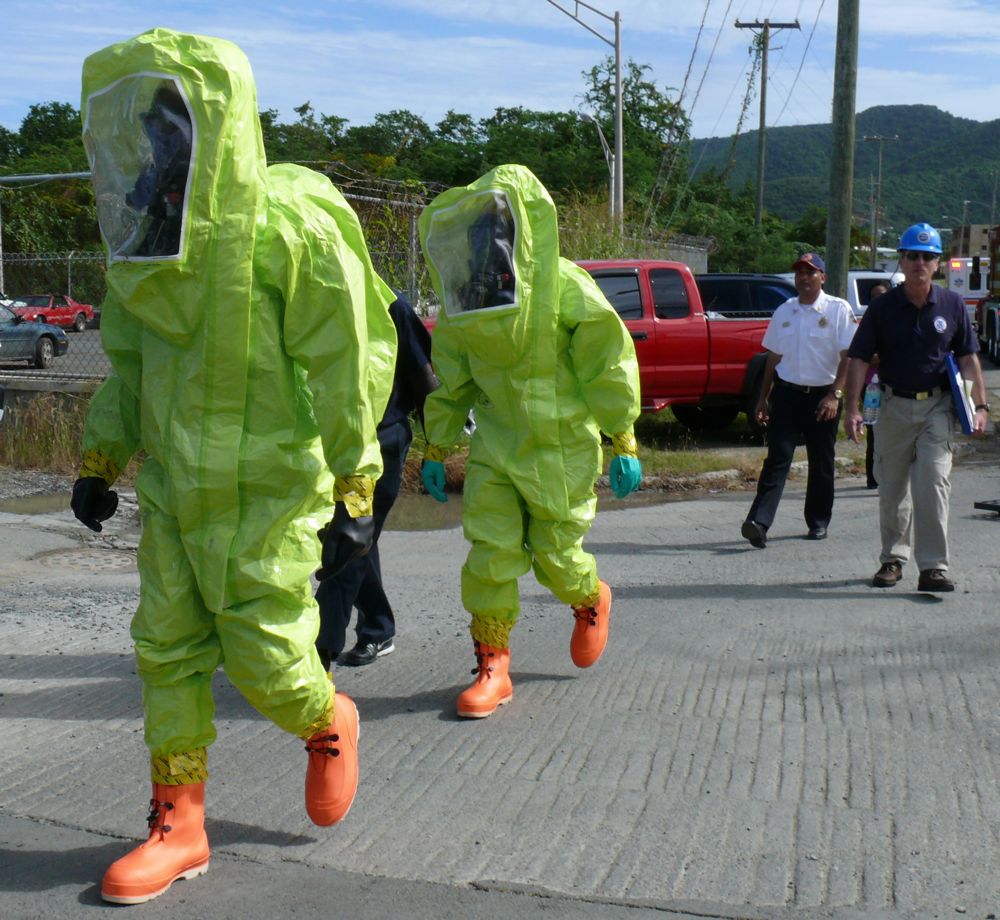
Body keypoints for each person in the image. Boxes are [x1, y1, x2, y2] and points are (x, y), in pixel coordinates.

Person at [70, 29, 397, 904]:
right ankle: (179, 823)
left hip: (268, 494)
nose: (160, 152)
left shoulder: (286, 236)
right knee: (166, 652)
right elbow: (131, 366)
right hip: (175, 489)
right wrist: (104, 459)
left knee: (269, 664)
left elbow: (345, 364)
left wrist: (353, 482)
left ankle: (329, 721)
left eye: (175, 130)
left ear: (212, 130)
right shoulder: (148, 244)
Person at [417, 164, 643, 719]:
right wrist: (438, 445)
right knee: (489, 556)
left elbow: (607, 364)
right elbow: (452, 376)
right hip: (496, 446)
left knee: (556, 560)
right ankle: (493, 666)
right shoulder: (471, 297)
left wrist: (623, 437)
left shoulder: (565, 287)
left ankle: (590, 598)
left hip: (561, 450)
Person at [844, 223, 989, 592]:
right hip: (893, 407)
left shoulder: (952, 305)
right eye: (912, 256)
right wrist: (852, 409)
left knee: (934, 484)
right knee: (892, 487)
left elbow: (969, 357)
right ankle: (892, 559)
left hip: (937, 408)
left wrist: (981, 405)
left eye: (927, 256)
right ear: (902, 260)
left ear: (937, 263)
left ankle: (933, 568)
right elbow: (858, 359)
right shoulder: (882, 308)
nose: (919, 262)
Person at [315, 293, 437, 668]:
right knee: (352, 535)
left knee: (349, 544)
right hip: (333, 441)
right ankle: (379, 628)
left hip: (380, 444)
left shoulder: (392, 306)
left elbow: (426, 379)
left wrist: (439, 447)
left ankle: (319, 650)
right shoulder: (320, 302)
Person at [741, 252, 857, 547]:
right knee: (777, 459)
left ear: (822, 277)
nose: (804, 278)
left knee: (821, 463)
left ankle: (818, 522)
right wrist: (763, 397)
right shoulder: (785, 311)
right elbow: (772, 358)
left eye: (810, 272)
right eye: (799, 273)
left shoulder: (838, 309)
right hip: (788, 395)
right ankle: (759, 522)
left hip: (823, 398)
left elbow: (848, 357)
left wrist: (835, 394)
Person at [863, 282, 891, 490]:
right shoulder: (868, 321)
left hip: (895, 387)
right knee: (873, 434)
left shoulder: (897, 319)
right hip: (871, 388)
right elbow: (862, 356)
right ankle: (872, 478)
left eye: (881, 294)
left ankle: (890, 477)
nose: (877, 299)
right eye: (873, 296)